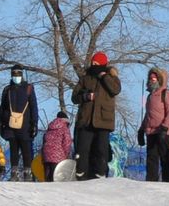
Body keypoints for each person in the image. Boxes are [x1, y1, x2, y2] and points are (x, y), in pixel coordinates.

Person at [73, 52, 122, 180]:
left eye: (96, 64)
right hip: (86, 120)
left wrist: (104, 77)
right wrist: (85, 96)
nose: (93, 66)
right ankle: (81, 175)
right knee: (83, 150)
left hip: (103, 121)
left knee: (101, 151)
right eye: (92, 63)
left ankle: (100, 176)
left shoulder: (112, 77)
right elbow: (74, 97)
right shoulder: (86, 78)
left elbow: (115, 90)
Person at [139, 67, 169, 183]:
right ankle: (151, 182)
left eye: (154, 77)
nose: (152, 79)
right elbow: (148, 115)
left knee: (165, 157)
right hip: (151, 131)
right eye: (150, 78)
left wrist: (164, 127)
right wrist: (141, 130)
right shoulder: (150, 96)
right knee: (151, 158)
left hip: (164, 131)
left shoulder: (166, 93)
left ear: (160, 79)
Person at [42, 108, 75, 182]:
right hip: (58, 156)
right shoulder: (64, 128)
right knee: (56, 177)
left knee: (48, 176)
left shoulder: (49, 128)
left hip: (46, 155)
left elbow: (44, 140)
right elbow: (67, 142)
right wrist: (66, 155)